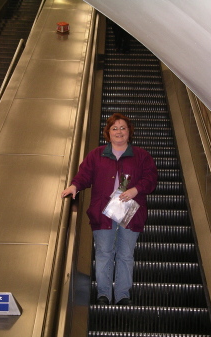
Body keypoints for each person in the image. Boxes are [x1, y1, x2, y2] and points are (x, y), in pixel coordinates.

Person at [61, 113, 157, 306]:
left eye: (123, 128)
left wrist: (135, 190)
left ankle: (122, 295)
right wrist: (74, 186)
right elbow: (84, 175)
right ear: (108, 132)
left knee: (125, 254)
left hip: (131, 213)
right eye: (115, 128)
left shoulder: (142, 156)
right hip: (102, 212)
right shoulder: (96, 154)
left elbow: (151, 178)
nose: (119, 132)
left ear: (129, 132)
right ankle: (103, 294)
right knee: (104, 252)